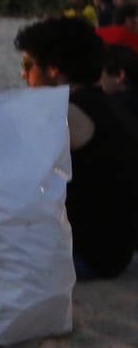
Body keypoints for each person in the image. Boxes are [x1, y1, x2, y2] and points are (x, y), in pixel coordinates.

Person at [16, 18, 137, 280]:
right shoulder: (113, 106)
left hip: (88, 256)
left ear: (53, 69)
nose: (22, 74)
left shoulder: (67, 112)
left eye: (27, 65)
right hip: (117, 249)